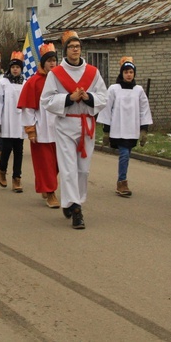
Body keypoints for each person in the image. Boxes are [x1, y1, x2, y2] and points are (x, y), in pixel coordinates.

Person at [41, 31, 108, 229]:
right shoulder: (55, 74)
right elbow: (46, 100)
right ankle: (77, 209)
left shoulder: (93, 73)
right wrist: (69, 98)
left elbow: (103, 96)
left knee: (83, 169)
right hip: (65, 124)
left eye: (78, 46)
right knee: (69, 168)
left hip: (86, 124)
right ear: (65, 50)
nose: (75, 49)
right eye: (71, 47)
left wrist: (89, 98)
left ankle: (71, 201)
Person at [97, 57, 153, 197]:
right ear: (122, 73)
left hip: (132, 129)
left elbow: (144, 110)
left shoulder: (139, 90)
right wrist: (106, 131)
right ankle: (122, 182)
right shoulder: (114, 89)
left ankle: (121, 180)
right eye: (126, 72)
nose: (129, 74)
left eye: (131, 72)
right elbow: (107, 108)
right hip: (118, 129)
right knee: (124, 154)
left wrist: (144, 130)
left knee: (127, 154)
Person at [18, 43, 60, 208]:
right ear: (42, 63)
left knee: (59, 163)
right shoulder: (33, 82)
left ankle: (45, 185)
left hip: (60, 129)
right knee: (46, 163)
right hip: (42, 129)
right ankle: (50, 192)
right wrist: (31, 130)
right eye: (48, 61)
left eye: (54, 60)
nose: (52, 63)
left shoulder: (60, 81)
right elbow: (28, 108)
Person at [0, 51, 26, 192]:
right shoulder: (3, 82)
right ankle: (2, 170)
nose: (15, 69)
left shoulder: (25, 82)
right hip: (7, 120)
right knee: (6, 148)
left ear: (21, 68)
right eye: (13, 67)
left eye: (17, 67)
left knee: (19, 150)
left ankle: (17, 178)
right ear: (10, 68)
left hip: (21, 121)